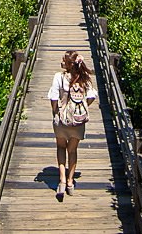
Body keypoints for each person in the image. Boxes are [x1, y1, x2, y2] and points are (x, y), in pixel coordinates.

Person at [47, 50, 97, 200]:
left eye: (63, 61)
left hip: (61, 120)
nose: (61, 62)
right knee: (73, 150)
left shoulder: (59, 77)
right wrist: (83, 107)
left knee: (61, 147)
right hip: (78, 121)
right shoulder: (84, 78)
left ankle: (61, 180)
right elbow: (92, 96)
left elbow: (54, 98)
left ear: (68, 65)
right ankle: (70, 182)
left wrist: (56, 111)